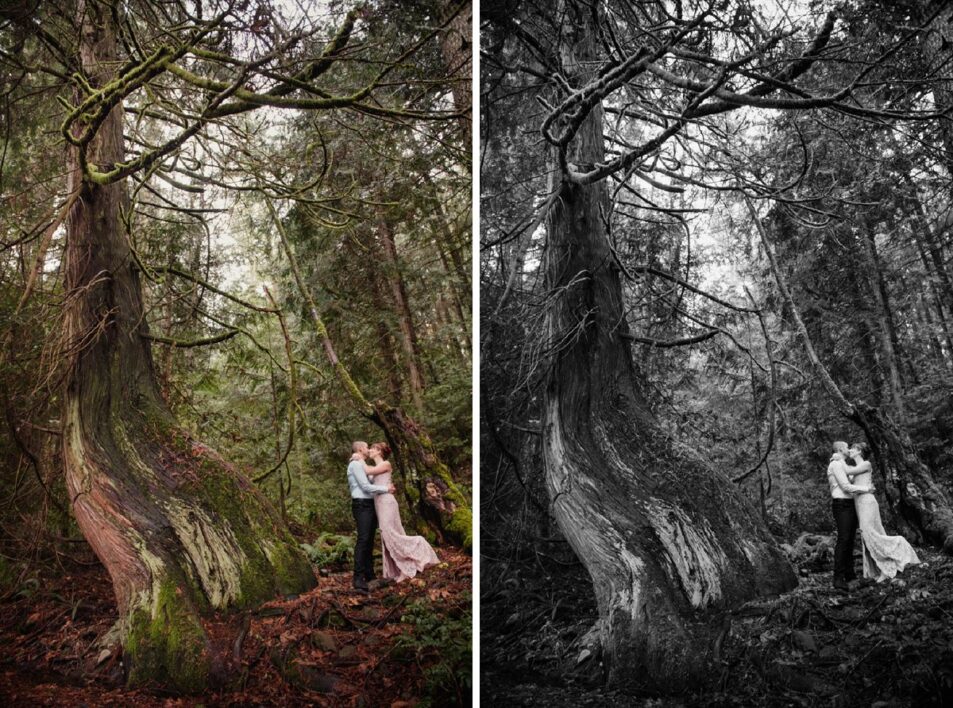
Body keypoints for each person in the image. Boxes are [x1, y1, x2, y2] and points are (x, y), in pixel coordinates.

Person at [363, 442, 440, 582]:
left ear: (379, 451)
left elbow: (367, 471)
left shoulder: (385, 464)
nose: (370, 450)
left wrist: (358, 458)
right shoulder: (375, 467)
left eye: (373, 448)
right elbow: (368, 481)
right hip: (379, 504)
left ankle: (418, 544)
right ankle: (400, 568)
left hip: (387, 502)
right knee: (387, 534)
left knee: (390, 533)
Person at [846, 442, 920, 581]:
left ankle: (899, 543)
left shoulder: (866, 464)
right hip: (859, 504)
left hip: (867, 501)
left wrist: (838, 458)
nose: (850, 450)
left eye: (852, 449)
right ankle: (882, 568)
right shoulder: (856, 468)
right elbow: (848, 484)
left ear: (859, 451)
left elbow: (847, 472)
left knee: (870, 533)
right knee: (868, 534)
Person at [347, 441, 395, 593]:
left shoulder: (360, 464)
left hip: (369, 504)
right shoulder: (355, 465)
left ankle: (369, 574)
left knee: (369, 540)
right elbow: (365, 487)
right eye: (367, 447)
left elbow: (370, 479)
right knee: (363, 539)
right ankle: (358, 577)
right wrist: (385, 488)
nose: (368, 450)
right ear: (361, 449)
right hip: (361, 505)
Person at [827, 440, 874, 591]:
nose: (849, 449)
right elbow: (846, 487)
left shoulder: (842, 464)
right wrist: (866, 488)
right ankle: (838, 578)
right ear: (841, 449)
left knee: (849, 541)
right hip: (841, 504)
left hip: (849, 505)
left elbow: (852, 476)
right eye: (847, 447)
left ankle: (850, 575)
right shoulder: (835, 464)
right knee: (844, 539)